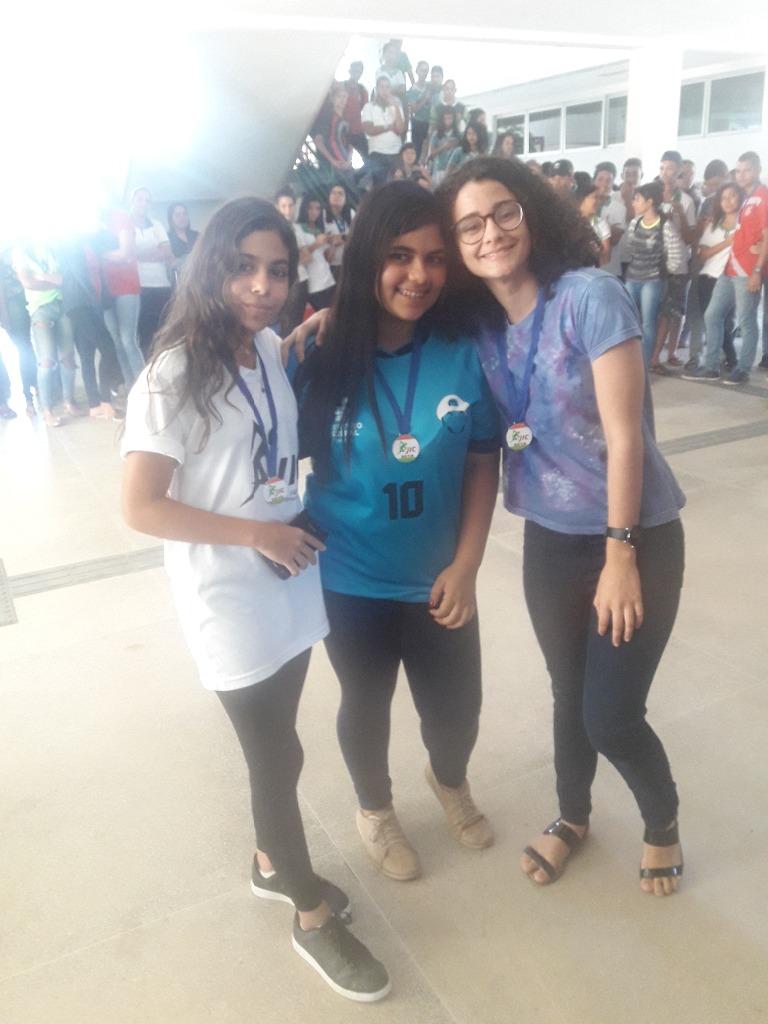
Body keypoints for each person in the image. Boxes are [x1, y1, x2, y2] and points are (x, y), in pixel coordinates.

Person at [120, 196, 389, 1002]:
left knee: (285, 745)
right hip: (230, 593)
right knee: (274, 758)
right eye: (242, 268)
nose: (262, 286)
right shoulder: (174, 374)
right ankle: (309, 915)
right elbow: (140, 507)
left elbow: (277, 414)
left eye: (277, 269)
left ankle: (272, 864)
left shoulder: (266, 345)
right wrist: (256, 535)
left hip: (286, 574)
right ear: (210, 268)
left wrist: (321, 321)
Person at [438, 157, 686, 897]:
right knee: (567, 691)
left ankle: (663, 821)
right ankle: (573, 815)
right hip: (549, 537)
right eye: (470, 225)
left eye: (503, 212)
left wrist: (621, 553)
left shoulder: (588, 297)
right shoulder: (478, 326)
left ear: (532, 213)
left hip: (633, 536)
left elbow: (627, 437)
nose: (490, 233)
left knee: (610, 715)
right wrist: (328, 318)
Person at [298, 181, 501, 883]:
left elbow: (482, 462)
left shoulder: (463, 351)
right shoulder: (320, 355)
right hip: (350, 579)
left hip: (440, 579)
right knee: (366, 704)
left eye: (435, 258)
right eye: (399, 256)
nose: (419, 275)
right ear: (367, 260)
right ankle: (375, 810)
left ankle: (448, 780)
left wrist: (468, 564)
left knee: (458, 713)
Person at [683, 150, 768, 385]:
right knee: (712, 315)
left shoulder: (763, 196)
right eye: (738, 171)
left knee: (746, 320)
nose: (741, 175)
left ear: (758, 170)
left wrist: (758, 270)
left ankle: (743, 370)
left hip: (748, 271)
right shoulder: (745, 199)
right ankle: (711, 367)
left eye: (747, 170)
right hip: (729, 270)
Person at [12, 243, 84, 427]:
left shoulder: (53, 247)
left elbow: (64, 278)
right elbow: (27, 283)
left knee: (68, 358)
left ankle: (69, 401)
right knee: (46, 361)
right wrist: (51, 281)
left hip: (62, 305)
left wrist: (41, 277)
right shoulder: (20, 251)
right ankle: (47, 411)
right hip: (40, 310)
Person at [624, 181, 686, 368]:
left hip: (652, 280)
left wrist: (663, 272)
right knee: (629, 318)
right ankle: (629, 359)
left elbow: (676, 256)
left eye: (637, 199)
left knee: (649, 322)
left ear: (650, 201)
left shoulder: (665, 226)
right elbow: (630, 248)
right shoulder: (635, 223)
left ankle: (644, 362)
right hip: (632, 278)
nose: (634, 203)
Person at [130, 187, 173, 355]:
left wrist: (137, 255)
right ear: (132, 201)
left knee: (165, 333)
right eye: (140, 199)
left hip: (161, 285)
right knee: (144, 335)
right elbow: (127, 254)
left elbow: (166, 251)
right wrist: (154, 251)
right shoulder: (125, 225)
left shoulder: (156, 224)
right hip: (138, 287)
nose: (144, 203)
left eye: (147, 200)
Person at [294, 194, 336, 311]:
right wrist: (316, 244)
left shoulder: (319, 230)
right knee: (325, 317)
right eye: (310, 208)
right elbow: (300, 257)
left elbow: (328, 259)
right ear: (304, 209)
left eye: (317, 208)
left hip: (329, 280)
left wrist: (332, 244)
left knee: (337, 314)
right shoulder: (297, 228)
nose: (314, 212)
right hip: (314, 285)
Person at [323, 185, 354, 282]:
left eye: (340, 194)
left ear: (345, 199)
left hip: (347, 264)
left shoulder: (351, 213)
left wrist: (342, 238)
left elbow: (358, 235)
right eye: (333, 193)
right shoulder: (322, 215)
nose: (337, 196)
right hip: (328, 265)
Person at [166, 203, 199, 283]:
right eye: (177, 215)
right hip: (178, 281)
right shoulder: (167, 238)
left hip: (199, 278)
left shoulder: (197, 235)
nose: (182, 218)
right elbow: (171, 262)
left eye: (185, 214)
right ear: (171, 219)